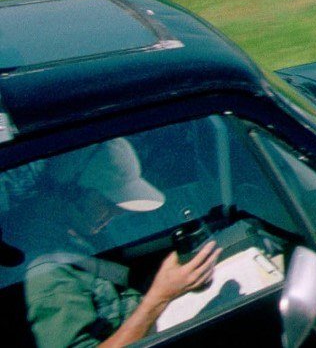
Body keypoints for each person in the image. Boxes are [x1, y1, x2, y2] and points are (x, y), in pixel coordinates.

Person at [24, 138, 220, 348]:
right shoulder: (48, 275)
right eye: (109, 202)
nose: (118, 211)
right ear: (71, 192)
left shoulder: (80, 236)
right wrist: (159, 298)